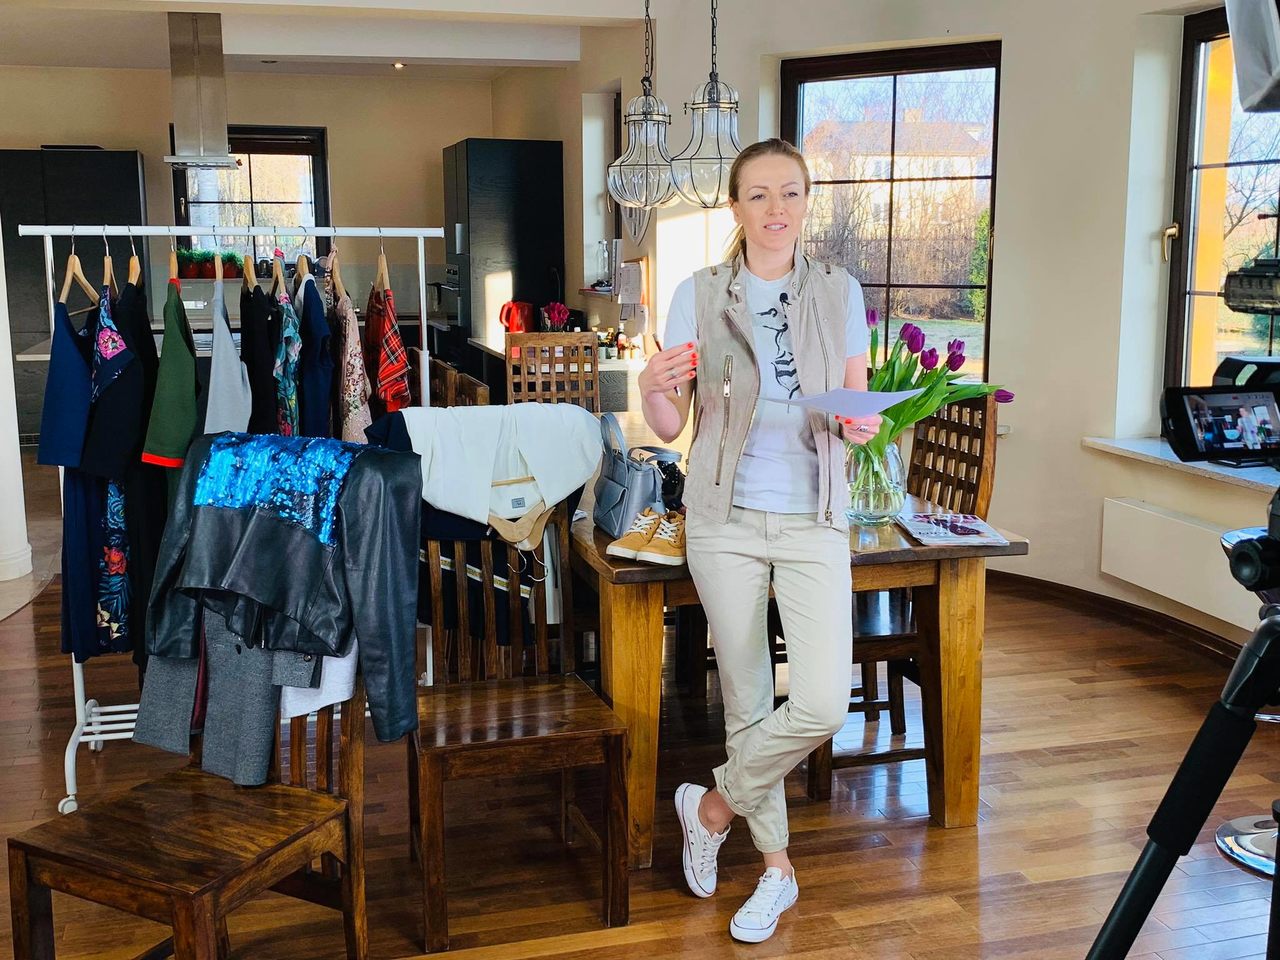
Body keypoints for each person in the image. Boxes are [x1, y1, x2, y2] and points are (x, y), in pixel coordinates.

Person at [639, 137, 880, 943]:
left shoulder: (840, 290)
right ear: (736, 207)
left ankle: (708, 808)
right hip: (725, 519)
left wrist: (862, 425)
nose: (776, 209)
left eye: (790, 193)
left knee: (821, 702)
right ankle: (777, 871)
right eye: (758, 195)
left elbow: (857, 408)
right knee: (746, 700)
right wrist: (652, 389)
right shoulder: (699, 294)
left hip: (814, 516)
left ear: (807, 201)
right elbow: (670, 425)